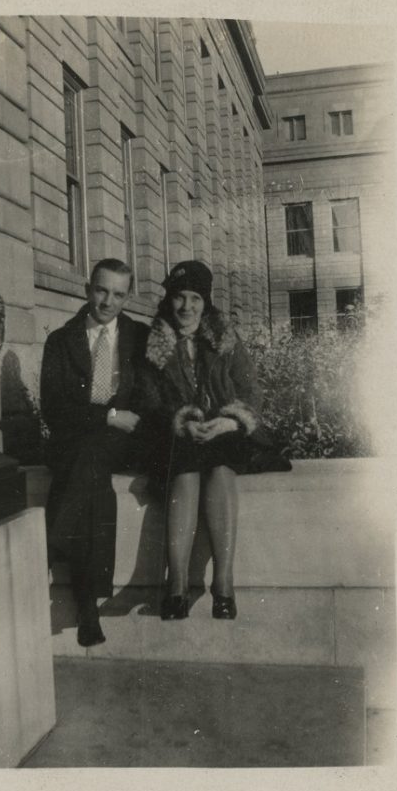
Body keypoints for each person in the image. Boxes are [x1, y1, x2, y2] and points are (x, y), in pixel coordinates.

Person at [137, 260, 269, 622]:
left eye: (195, 298)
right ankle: (176, 584)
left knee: (221, 468)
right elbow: (148, 402)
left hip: (223, 432)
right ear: (169, 300)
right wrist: (180, 421)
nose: (186, 307)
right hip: (179, 436)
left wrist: (229, 421)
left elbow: (252, 394)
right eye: (179, 297)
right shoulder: (157, 343)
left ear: (205, 302)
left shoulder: (225, 338)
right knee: (185, 469)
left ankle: (223, 583)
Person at [40, 258, 147, 647]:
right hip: (79, 443)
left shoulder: (140, 336)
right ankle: (88, 610)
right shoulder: (62, 339)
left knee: (89, 462)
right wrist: (108, 416)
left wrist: (119, 420)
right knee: (91, 470)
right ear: (87, 289)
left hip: (126, 443)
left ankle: (50, 547)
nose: (108, 302)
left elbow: (148, 401)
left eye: (118, 294)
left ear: (127, 296)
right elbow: (54, 407)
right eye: (101, 290)